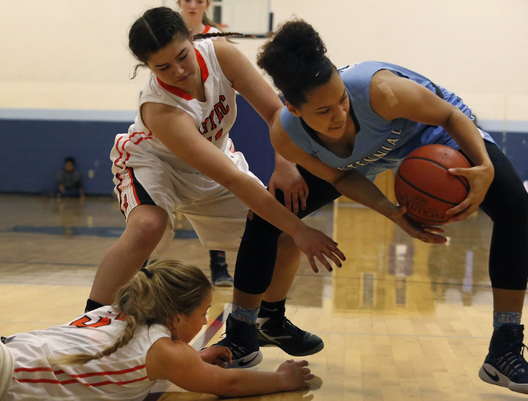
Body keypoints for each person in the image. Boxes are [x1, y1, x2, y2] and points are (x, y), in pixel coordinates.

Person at [225, 19, 528, 397]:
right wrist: (392, 212)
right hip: (358, 160)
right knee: (268, 213)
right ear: (295, 110)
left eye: (342, 99)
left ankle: (505, 349)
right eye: (324, 110)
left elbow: (449, 115)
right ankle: (243, 333)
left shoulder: (380, 90)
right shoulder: (286, 133)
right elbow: (341, 178)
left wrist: (484, 166)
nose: (340, 114)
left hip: (433, 132)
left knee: (513, 203)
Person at [86, 8, 344, 368]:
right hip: (154, 164)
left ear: (192, 40)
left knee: (277, 237)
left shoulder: (220, 53)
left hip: (214, 158)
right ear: (147, 68)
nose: (178, 71)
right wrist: (300, 227)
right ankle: (90, 326)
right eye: (162, 68)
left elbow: (275, 114)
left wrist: (284, 164)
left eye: (181, 56)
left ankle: (268, 320)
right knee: (148, 226)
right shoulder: (160, 108)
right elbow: (233, 180)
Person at [0, 260, 313, 401]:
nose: (207, 320)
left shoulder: (121, 312)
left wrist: (195, 360)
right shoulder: (163, 351)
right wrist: (283, 380)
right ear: (175, 318)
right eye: (203, 311)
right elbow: (230, 382)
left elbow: (126, 360)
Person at [177, 0, 233, 288]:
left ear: (206, 4)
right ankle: (142, 266)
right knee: (157, 211)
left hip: (211, 126)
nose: (192, 5)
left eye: (198, 0)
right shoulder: (167, 35)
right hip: (177, 126)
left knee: (217, 199)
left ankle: (219, 266)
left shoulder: (217, 38)